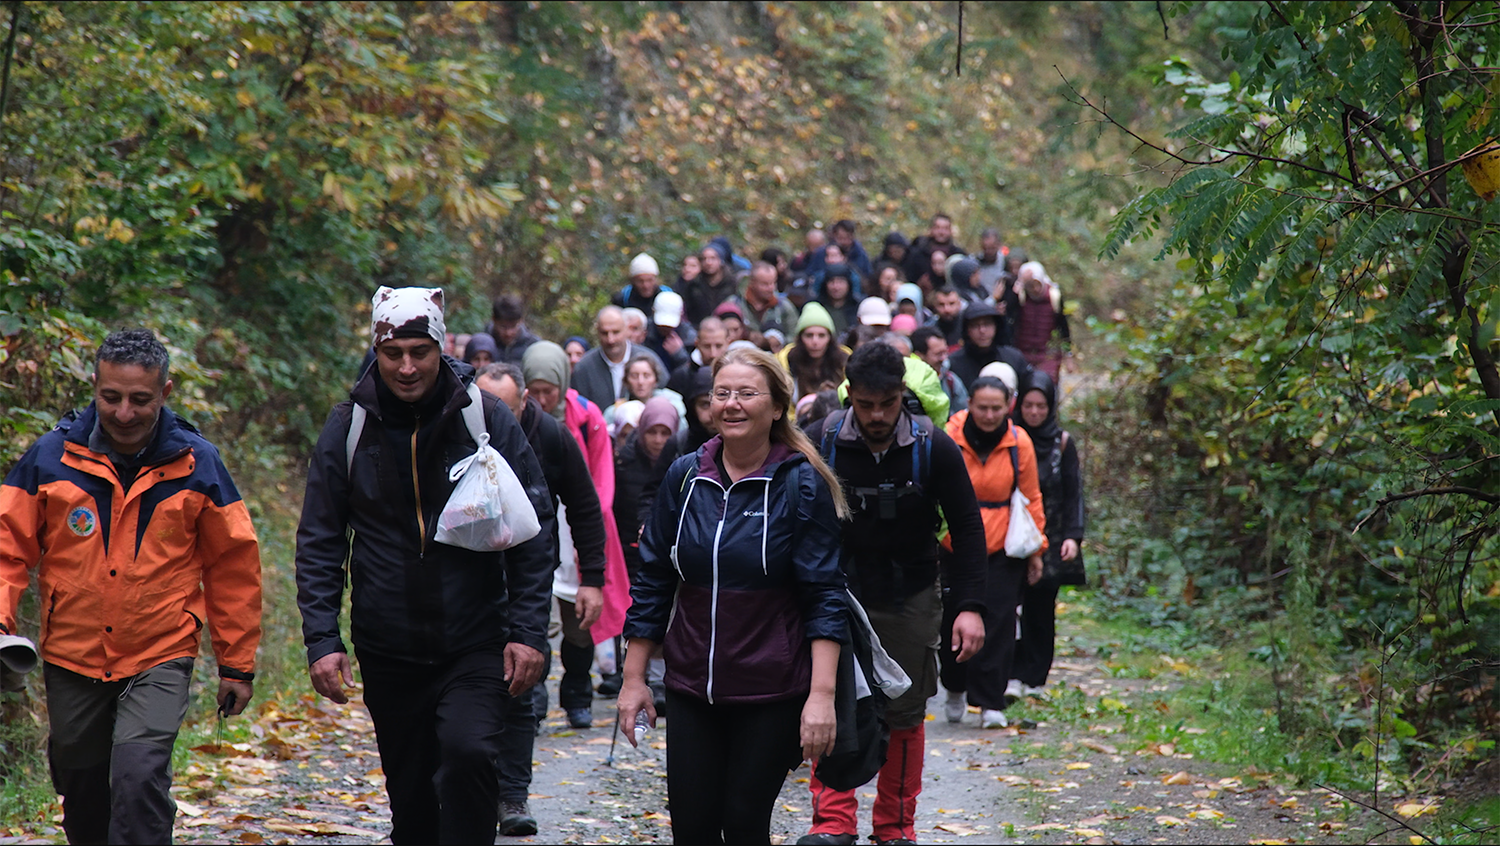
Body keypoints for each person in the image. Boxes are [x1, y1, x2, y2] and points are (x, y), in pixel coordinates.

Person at [296, 288, 556, 844]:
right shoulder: (349, 428)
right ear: (376, 351)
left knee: (468, 756)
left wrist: (530, 633)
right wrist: (322, 639)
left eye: (420, 351)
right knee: (411, 804)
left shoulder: (483, 419)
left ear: (442, 347)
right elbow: (320, 537)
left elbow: (535, 530)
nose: (407, 366)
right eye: (394, 354)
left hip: (476, 638)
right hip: (388, 646)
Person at [0, 329, 262, 845]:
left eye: (140, 400)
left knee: (139, 776)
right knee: (82, 784)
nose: (124, 413)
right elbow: (7, 546)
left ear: (165, 393)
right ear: (94, 385)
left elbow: (232, 565)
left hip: (160, 650)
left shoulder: (197, 463)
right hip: (72, 653)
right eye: (111, 397)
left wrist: (237, 663)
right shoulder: (52, 457)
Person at [618, 347, 849, 844]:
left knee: (744, 822)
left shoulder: (800, 484)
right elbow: (655, 576)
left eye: (747, 393)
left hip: (772, 687)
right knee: (693, 828)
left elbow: (824, 594)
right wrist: (634, 678)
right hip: (691, 687)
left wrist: (822, 697)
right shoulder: (684, 477)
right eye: (721, 393)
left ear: (777, 407)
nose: (731, 404)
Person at [800, 342, 988, 846]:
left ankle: (895, 829)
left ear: (901, 393)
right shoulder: (823, 440)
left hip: (911, 596)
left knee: (904, 714)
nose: (877, 415)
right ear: (850, 395)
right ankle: (833, 824)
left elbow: (968, 529)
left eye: (886, 403)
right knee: (835, 707)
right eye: (865, 405)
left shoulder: (933, 446)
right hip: (840, 598)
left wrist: (969, 607)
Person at [473, 362, 608, 838]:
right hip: (465, 577)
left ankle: (512, 794)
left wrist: (593, 578)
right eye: (483, 409)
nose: (492, 422)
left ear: (525, 400)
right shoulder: (457, 425)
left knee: (520, 683)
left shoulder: (549, 435)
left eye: (502, 410)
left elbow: (585, 503)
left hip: (528, 575)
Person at [521, 342, 634, 730]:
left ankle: (578, 697)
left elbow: (600, 485)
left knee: (579, 624)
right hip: (531, 531)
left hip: (575, 530)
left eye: (547, 391)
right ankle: (533, 699)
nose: (539, 399)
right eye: (532, 390)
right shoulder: (512, 418)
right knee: (534, 620)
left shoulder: (586, 417)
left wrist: (592, 537)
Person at [939, 376, 1046, 730]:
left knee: (998, 624)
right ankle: (954, 686)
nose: (988, 415)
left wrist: (1037, 551)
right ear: (969, 403)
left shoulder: (1020, 442)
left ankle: (989, 701)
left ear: (1008, 407)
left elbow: (1031, 497)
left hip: (1002, 546)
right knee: (949, 620)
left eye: (996, 408)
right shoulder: (948, 437)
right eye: (981, 407)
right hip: (952, 543)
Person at [1010, 371, 1085, 699]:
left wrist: (1073, 535)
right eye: (1029, 405)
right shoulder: (1008, 438)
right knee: (1010, 608)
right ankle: (1011, 673)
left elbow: (1074, 492)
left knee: (1041, 610)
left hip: (1051, 535)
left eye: (1041, 406)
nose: (1035, 412)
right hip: (1012, 534)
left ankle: (1036, 677)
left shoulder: (1062, 442)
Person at [572, 306, 669, 411]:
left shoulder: (648, 359)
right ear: (597, 332)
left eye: (616, 332)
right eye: (604, 333)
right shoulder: (584, 368)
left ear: (627, 330)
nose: (611, 340)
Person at [947, 301, 1030, 391]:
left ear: (996, 327)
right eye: (975, 326)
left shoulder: (1014, 358)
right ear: (967, 330)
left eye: (987, 324)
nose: (982, 330)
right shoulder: (954, 363)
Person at [1012, 261, 1072, 381]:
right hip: (1023, 353)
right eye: (1030, 285)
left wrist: (1068, 355)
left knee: (1046, 386)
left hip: (1048, 355)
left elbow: (1063, 327)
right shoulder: (1020, 298)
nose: (1035, 289)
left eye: (1037, 284)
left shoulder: (1054, 297)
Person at [778, 302, 851, 400]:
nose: (815, 342)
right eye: (809, 335)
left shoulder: (845, 361)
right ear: (800, 338)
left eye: (821, 335)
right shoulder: (786, 362)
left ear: (830, 338)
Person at [605, 352, 686, 433]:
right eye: (634, 376)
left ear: (655, 380)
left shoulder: (672, 402)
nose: (640, 382)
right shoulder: (614, 412)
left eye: (646, 376)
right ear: (626, 381)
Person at [730, 261, 800, 340]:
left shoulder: (784, 306)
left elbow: (794, 337)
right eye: (765, 284)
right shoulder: (734, 304)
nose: (771, 288)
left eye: (773, 283)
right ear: (752, 283)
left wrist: (779, 341)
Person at [912, 325, 969, 415]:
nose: (943, 358)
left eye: (945, 352)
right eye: (938, 354)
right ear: (920, 356)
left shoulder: (951, 381)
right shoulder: (909, 384)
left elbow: (962, 415)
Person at [667, 315, 728, 397]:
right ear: (697, 344)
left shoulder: (736, 374)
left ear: (728, 343)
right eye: (706, 346)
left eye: (718, 346)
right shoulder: (681, 377)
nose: (713, 354)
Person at [682, 241, 741, 325]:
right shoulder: (694, 285)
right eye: (704, 259)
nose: (708, 262)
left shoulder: (732, 283)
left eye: (713, 258)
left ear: (720, 260)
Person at [902, 212, 966, 284]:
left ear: (951, 231)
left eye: (945, 228)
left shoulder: (958, 255)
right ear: (931, 229)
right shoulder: (917, 252)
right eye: (937, 228)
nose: (941, 232)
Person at [804, 218, 874, 280]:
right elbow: (810, 273)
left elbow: (867, 276)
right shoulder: (821, 253)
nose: (844, 242)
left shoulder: (860, 254)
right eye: (841, 238)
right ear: (834, 236)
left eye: (848, 238)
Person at [644, 290, 692, 372]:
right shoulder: (644, 331)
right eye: (662, 325)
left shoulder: (689, 336)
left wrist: (679, 353)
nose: (665, 328)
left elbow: (692, 371)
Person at [488, 293, 543, 364]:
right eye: (503, 327)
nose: (508, 333)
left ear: (521, 321)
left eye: (513, 326)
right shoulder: (483, 342)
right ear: (494, 320)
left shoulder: (533, 346)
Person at [816, 263, 861, 337]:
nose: (836, 287)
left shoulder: (857, 307)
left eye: (841, 282)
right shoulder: (818, 308)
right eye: (831, 282)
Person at [974, 228, 1008, 294]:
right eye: (985, 248)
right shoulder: (974, 261)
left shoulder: (1006, 262)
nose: (988, 252)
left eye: (992, 248)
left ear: (999, 245)